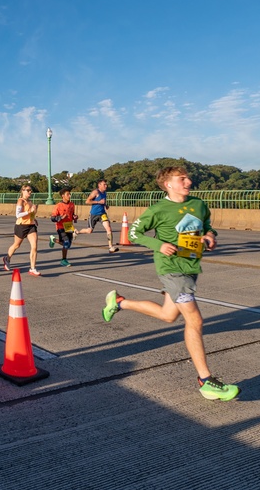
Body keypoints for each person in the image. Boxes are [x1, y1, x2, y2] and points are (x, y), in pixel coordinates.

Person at [102, 166, 238, 401]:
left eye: (187, 177)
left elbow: (207, 225)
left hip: (190, 266)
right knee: (194, 320)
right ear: (168, 184)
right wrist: (158, 245)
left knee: (168, 315)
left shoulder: (198, 204)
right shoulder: (158, 209)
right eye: (182, 178)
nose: (188, 181)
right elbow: (134, 233)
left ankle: (120, 303)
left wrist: (210, 236)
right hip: (171, 269)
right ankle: (206, 381)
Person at [4, 185, 40, 276]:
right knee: (16, 245)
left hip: (31, 226)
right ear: (23, 191)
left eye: (30, 190)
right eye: (28, 190)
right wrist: (29, 211)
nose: (30, 192)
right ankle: (7, 259)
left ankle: (32, 268)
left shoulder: (30, 201)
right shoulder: (21, 201)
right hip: (21, 226)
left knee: (34, 246)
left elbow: (31, 214)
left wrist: (33, 218)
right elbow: (18, 215)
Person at [78, 179, 120, 253]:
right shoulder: (95, 192)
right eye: (104, 184)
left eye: (106, 184)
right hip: (94, 214)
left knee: (109, 229)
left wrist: (105, 205)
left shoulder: (105, 193)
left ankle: (110, 247)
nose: (106, 186)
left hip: (102, 214)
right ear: (99, 185)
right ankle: (77, 232)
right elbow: (87, 201)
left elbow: (103, 202)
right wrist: (98, 202)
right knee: (89, 231)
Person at [49, 187, 78, 267]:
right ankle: (63, 260)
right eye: (67, 194)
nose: (69, 196)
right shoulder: (58, 206)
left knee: (68, 244)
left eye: (70, 194)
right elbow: (52, 218)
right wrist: (60, 218)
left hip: (69, 226)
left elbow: (72, 215)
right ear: (63, 196)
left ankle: (53, 239)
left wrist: (74, 217)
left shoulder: (72, 205)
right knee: (66, 242)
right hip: (60, 226)